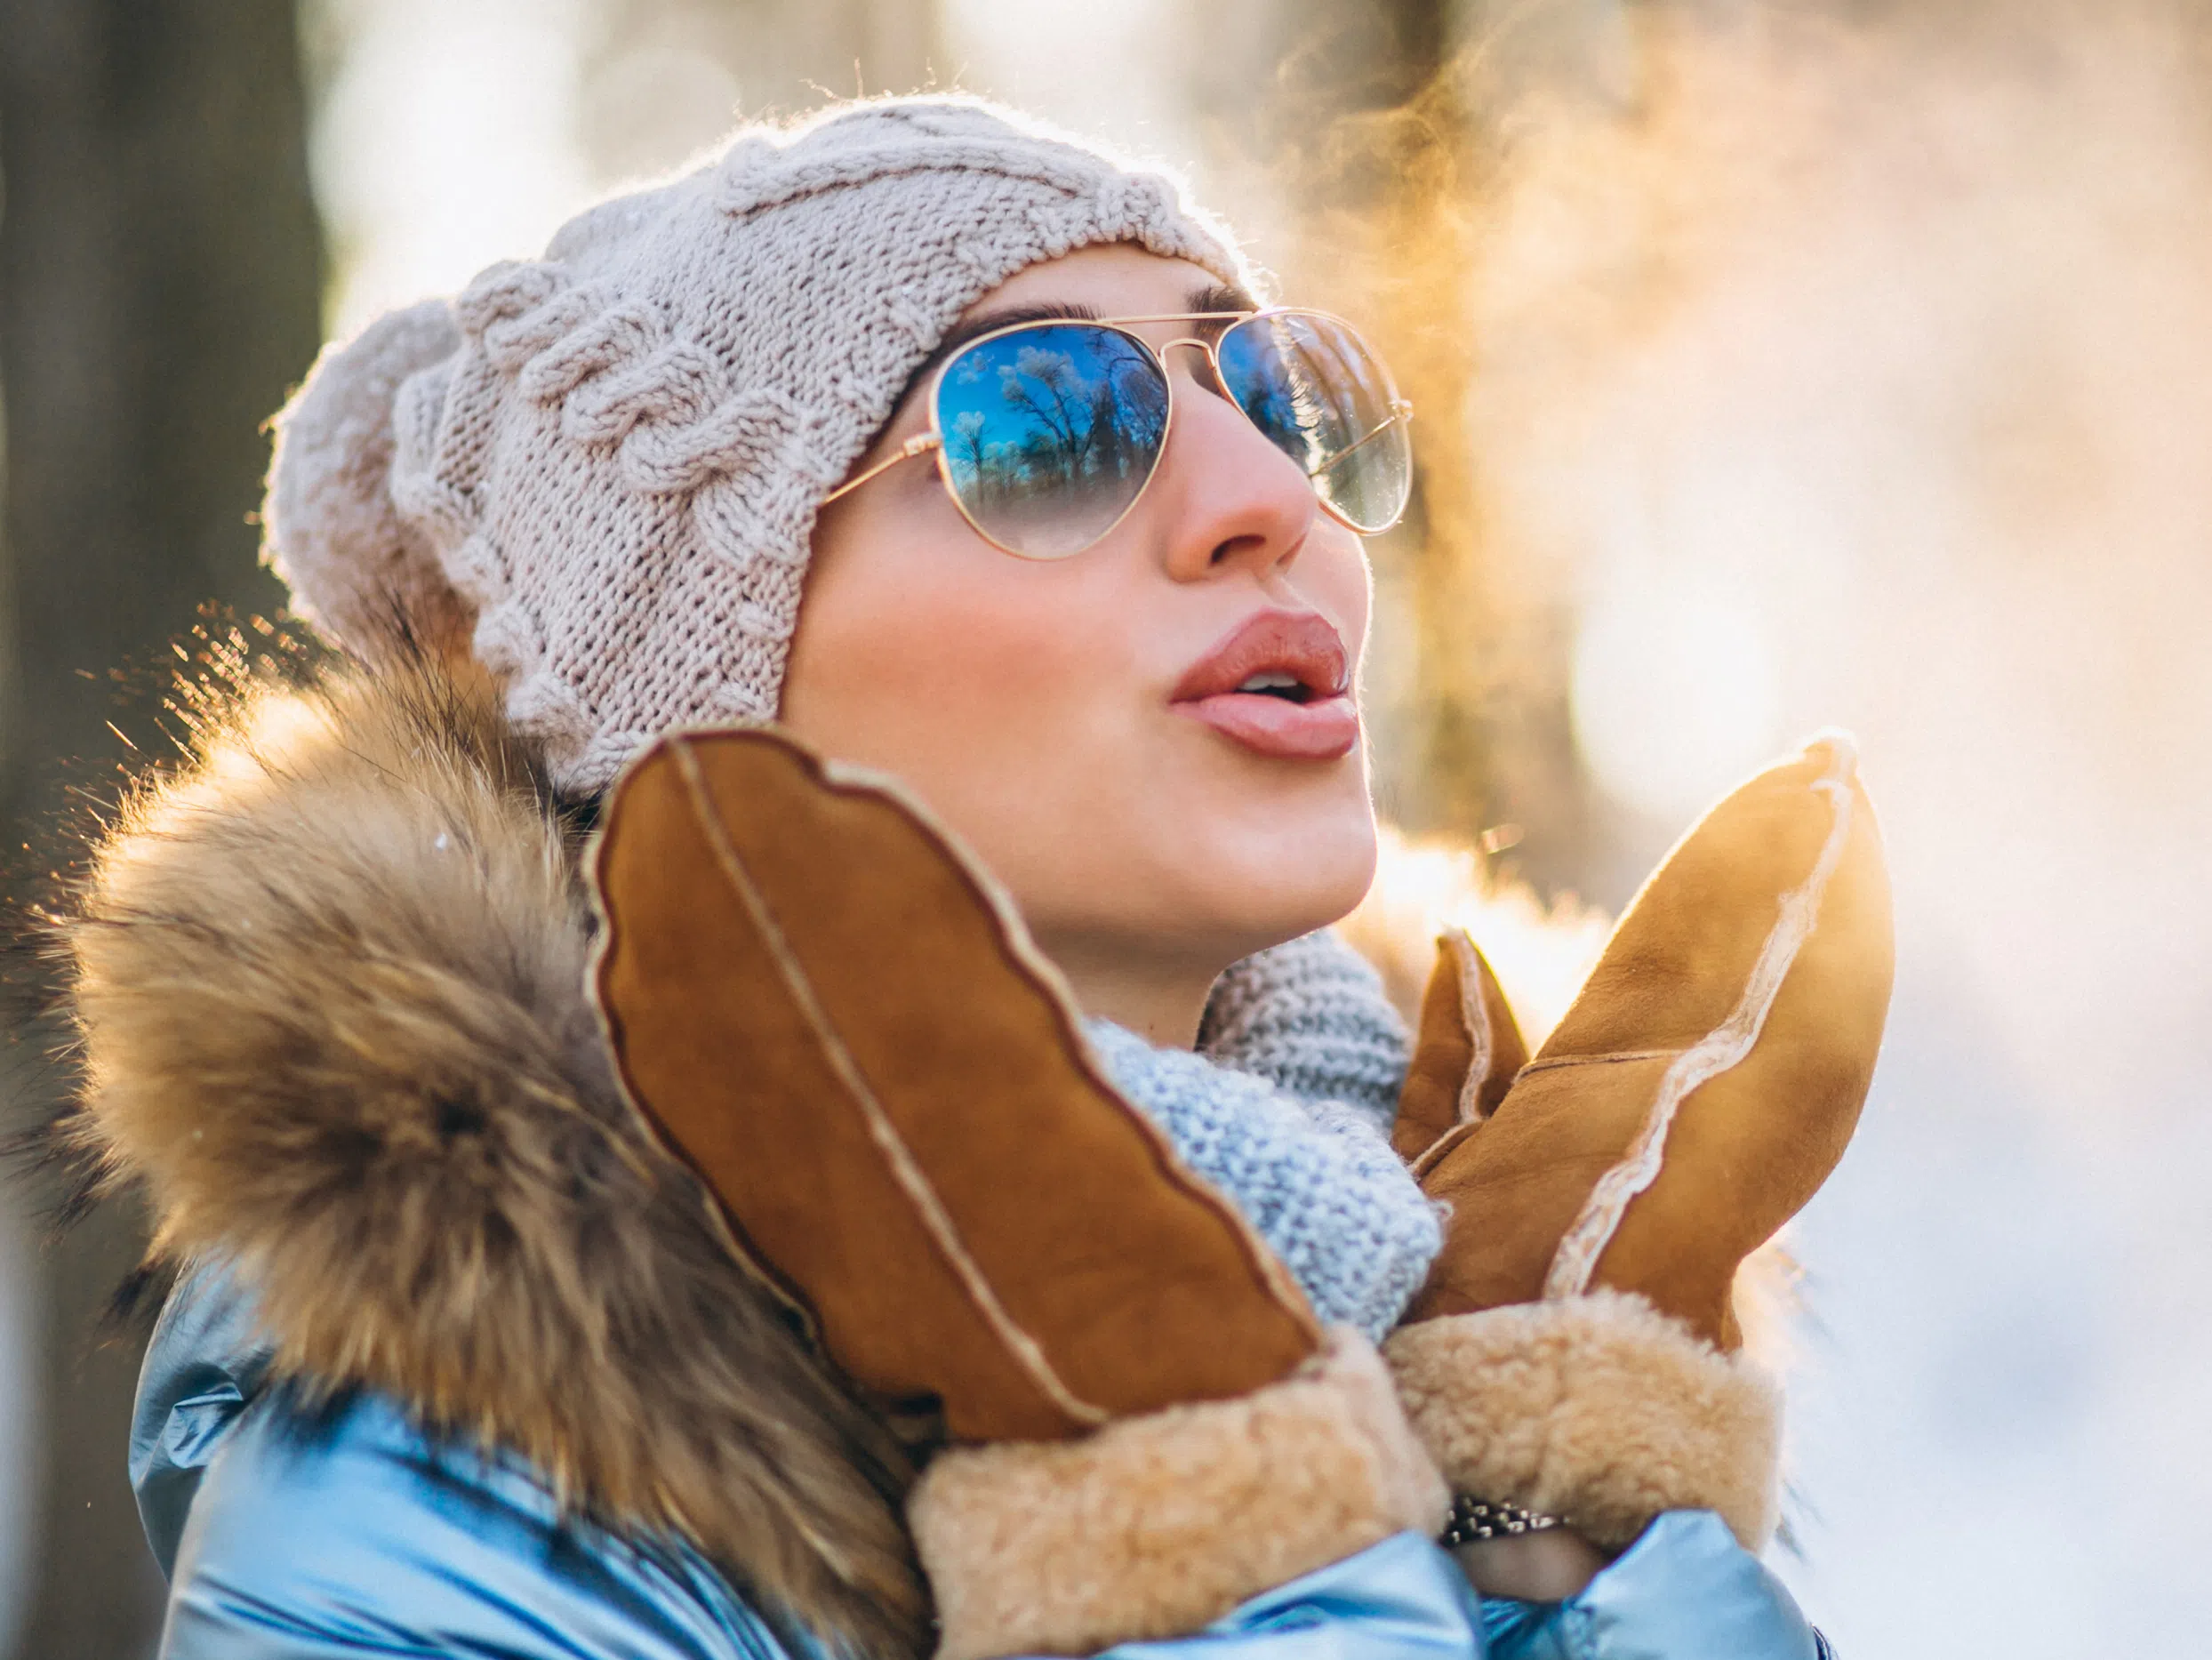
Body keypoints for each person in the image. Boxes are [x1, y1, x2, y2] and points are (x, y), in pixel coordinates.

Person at [56, 97, 1851, 1659]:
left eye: (1269, 394)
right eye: (1045, 424)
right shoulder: (450, 1496)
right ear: (701, 698)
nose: (1261, 497)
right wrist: (1198, 1509)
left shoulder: (1488, 1280)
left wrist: (1554, 1547)